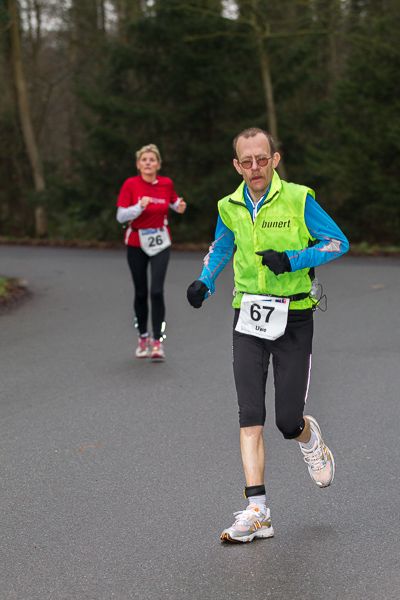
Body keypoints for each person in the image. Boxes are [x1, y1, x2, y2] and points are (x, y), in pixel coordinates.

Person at [187, 127, 349, 543]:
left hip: (293, 316)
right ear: (236, 165)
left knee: (286, 420)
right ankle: (258, 510)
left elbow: (337, 243)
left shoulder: (298, 198)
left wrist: (293, 259)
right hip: (248, 316)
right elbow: (222, 247)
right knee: (249, 414)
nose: (255, 167)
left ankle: (309, 439)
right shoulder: (229, 206)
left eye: (262, 159)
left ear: (275, 159)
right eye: (247, 161)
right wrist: (205, 282)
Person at [116, 143, 186, 361]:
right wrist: (139, 207)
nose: (148, 163)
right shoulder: (130, 184)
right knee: (140, 292)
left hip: (160, 241)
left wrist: (179, 205)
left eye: (152, 160)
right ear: (138, 165)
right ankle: (142, 337)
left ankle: (158, 341)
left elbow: (173, 201)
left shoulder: (166, 183)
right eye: (144, 160)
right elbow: (120, 216)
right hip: (136, 242)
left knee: (156, 291)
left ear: (158, 164)